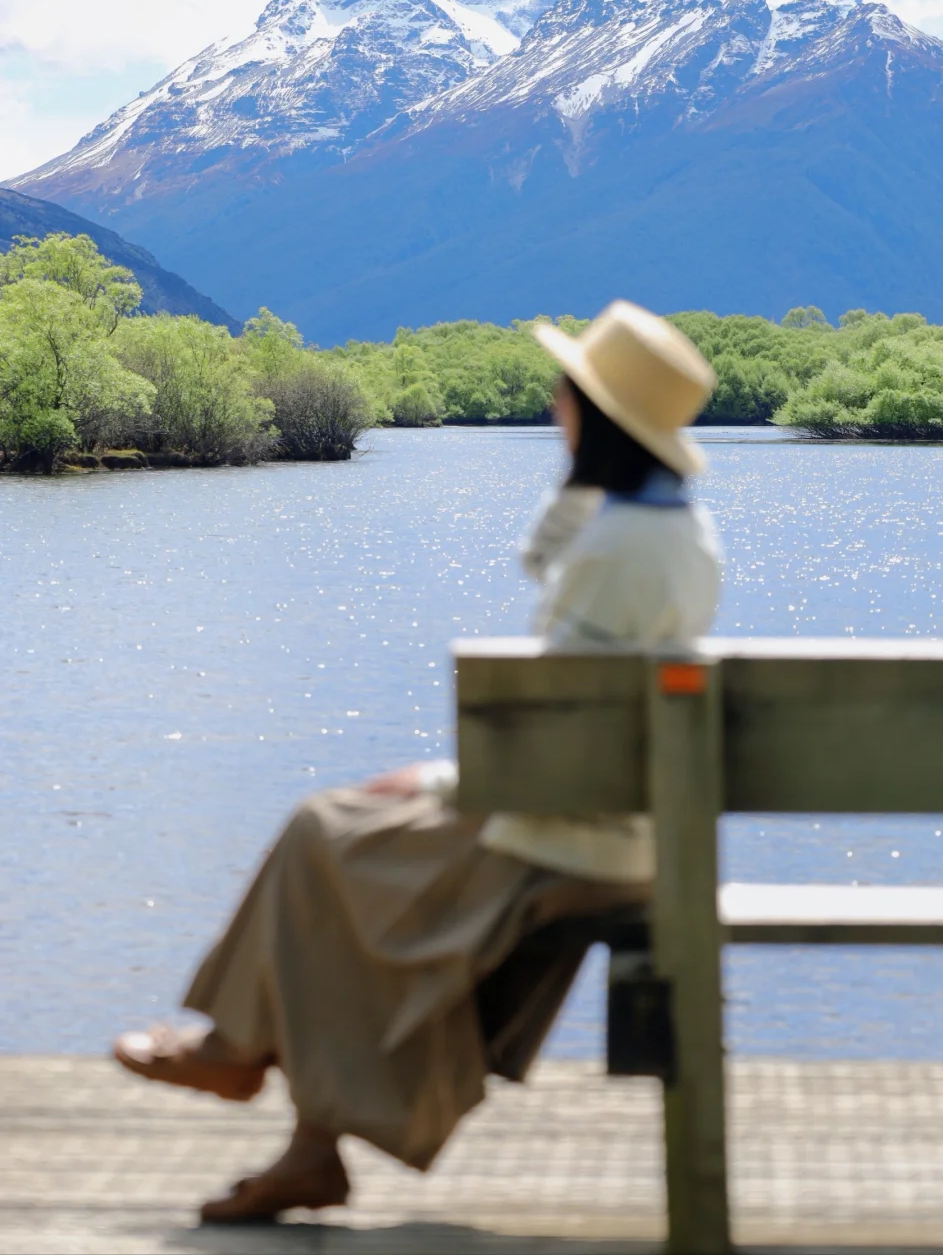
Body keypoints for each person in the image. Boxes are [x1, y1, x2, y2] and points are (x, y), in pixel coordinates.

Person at [113, 299, 721, 1222]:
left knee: (322, 833)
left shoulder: (614, 549)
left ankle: (244, 1060)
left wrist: (436, 779)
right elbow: (548, 590)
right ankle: (291, 1126)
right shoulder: (673, 532)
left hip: (562, 843)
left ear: (598, 415)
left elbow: (554, 734)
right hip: (618, 826)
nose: (553, 402)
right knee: (333, 839)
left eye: (568, 391)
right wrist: (582, 478)